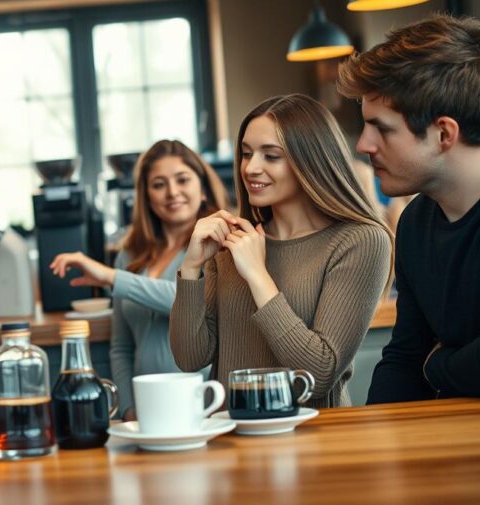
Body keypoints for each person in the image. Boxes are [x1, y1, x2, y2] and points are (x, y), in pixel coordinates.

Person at [337, 14, 480, 403]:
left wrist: (435, 367)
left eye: (382, 129)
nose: (363, 145)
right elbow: (405, 359)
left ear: (444, 133)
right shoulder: (415, 221)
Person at [170, 94, 392, 408]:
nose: (251, 168)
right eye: (246, 154)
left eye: (271, 156)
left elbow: (318, 374)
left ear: (311, 160)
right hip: (233, 442)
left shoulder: (360, 241)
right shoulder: (232, 241)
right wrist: (191, 268)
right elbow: (189, 358)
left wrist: (258, 275)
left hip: (316, 445)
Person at [49, 140, 228, 420]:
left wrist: (111, 277)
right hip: (146, 411)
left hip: (204, 405)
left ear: (202, 187)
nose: (172, 192)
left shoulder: (220, 245)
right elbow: (121, 346)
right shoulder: (130, 256)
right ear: (145, 196)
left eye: (182, 180)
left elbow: (189, 300)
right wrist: (129, 408)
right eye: (158, 184)